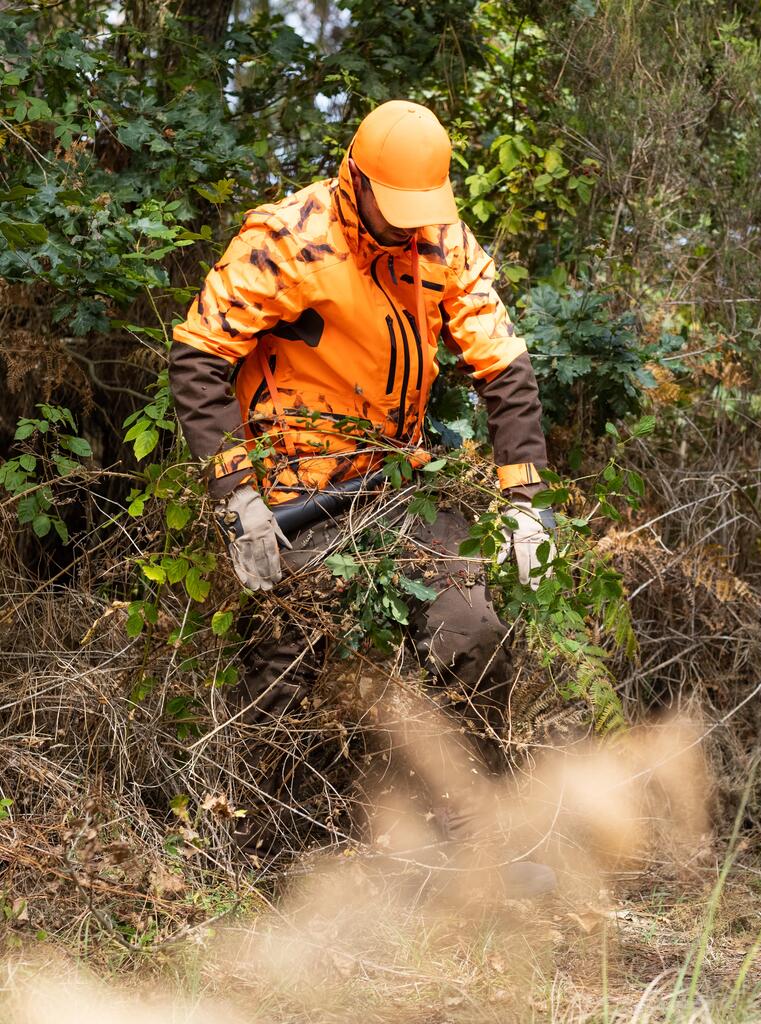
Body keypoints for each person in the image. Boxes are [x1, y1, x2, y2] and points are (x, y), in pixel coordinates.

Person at [169, 100, 556, 896]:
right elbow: (199, 359)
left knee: (472, 626)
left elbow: (506, 372)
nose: (411, 227)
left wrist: (526, 502)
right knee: (288, 650)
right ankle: (250, 856)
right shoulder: (289, 239)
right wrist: (236, 498)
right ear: (356, 181)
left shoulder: (441, 240)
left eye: (424, 212)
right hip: (296, 488)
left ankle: (463, 850)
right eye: (397, 209)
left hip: (397, 479)